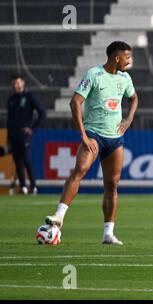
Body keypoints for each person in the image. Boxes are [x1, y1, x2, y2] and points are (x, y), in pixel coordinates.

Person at [44, 41, 138, 245]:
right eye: (127, 57)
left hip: (115, 139)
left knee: (112, 184)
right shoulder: (93, 75)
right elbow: (75, 102)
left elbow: (134, 98)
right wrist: (84, 135)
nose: (129, 61)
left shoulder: (125, 77)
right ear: (117, 58)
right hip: (94, 135)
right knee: (80, 170)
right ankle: (59, 215)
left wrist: (128, 120)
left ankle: (108, 233)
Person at [6, 74, 46, 195]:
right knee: (17, 160)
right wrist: (8, 137)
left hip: (24, 135)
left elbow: (42, 113)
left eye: (18, 82)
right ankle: (23, 187)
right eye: (14, 83)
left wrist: (32, 128)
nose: (16, 85)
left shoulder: (29, 97)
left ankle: (33, 186)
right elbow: (9, 119)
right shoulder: (11, 99)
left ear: (23, 83)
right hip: (13, 135)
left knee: (26, 159)